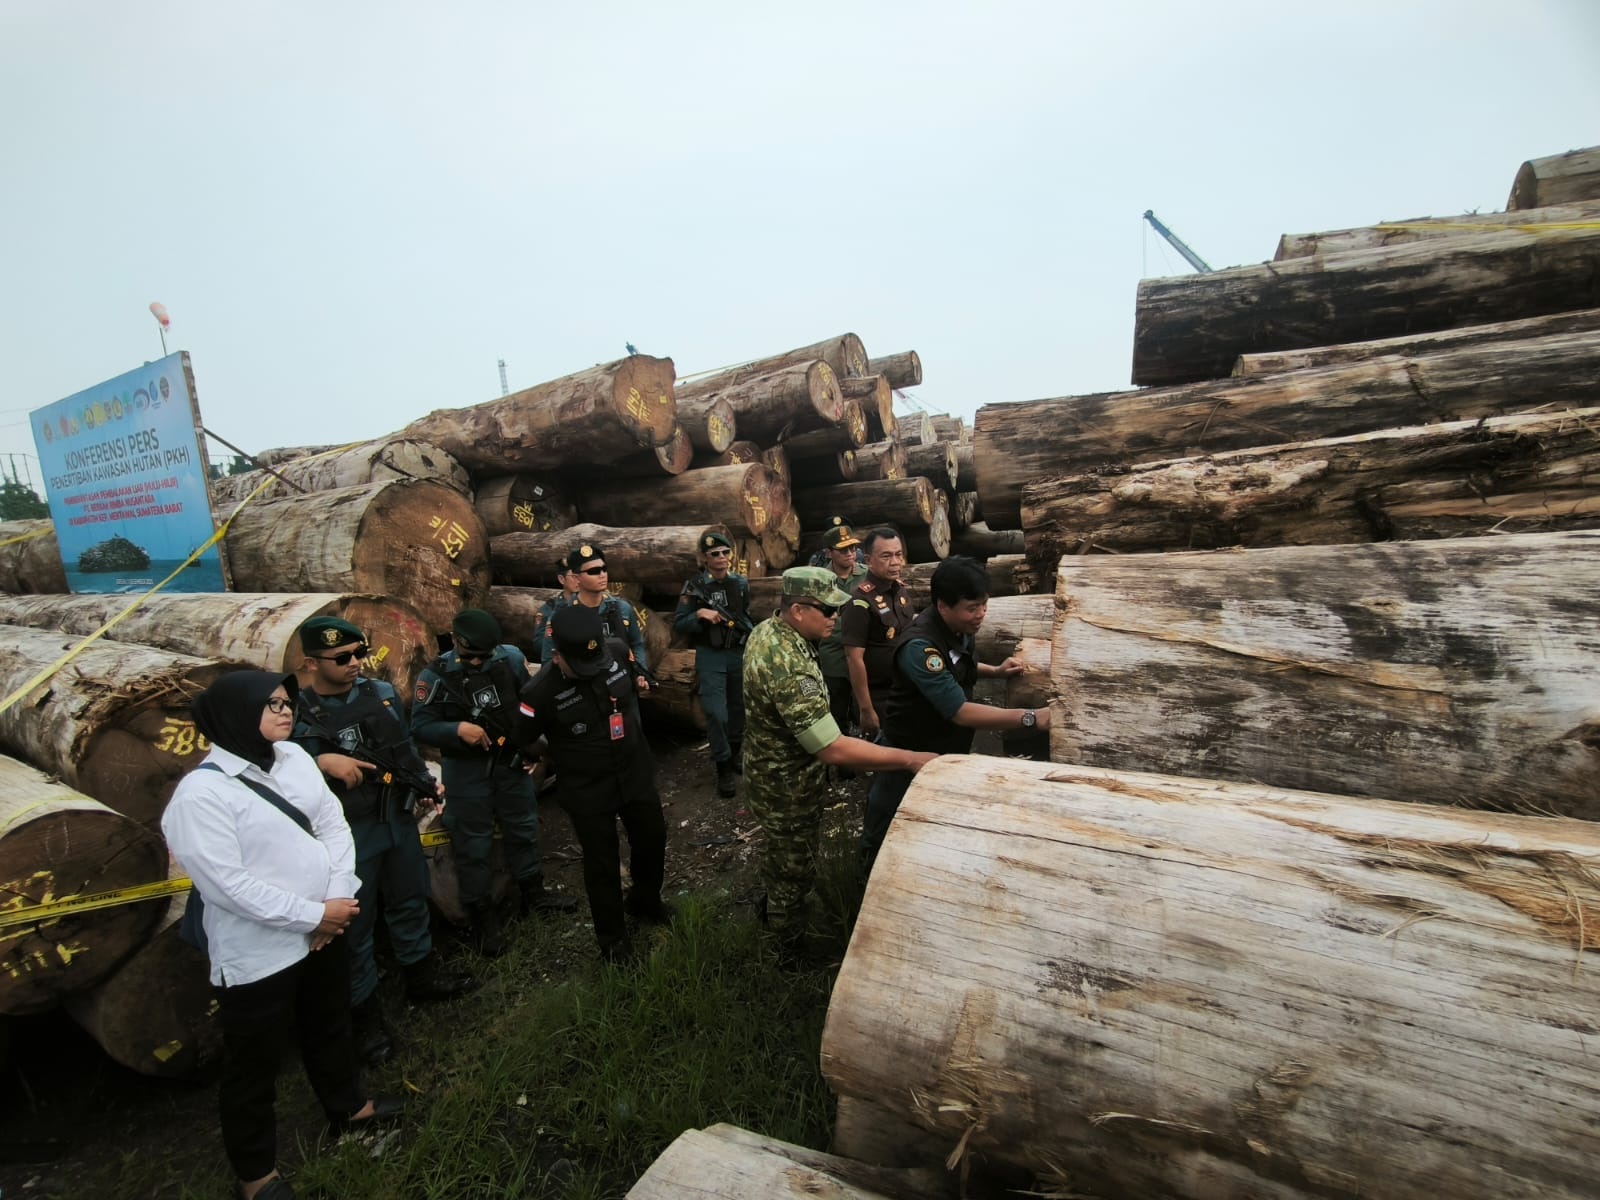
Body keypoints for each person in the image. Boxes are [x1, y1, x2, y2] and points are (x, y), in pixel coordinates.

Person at [162, 670, 402, 1200]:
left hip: (324, 928)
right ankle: (257, 1176)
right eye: (270, 704)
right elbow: (229, 887)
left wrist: (336, 903)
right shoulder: (200, 796)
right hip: (260, 954)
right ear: (232, 715)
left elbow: (334, 826)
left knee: (329, 1023)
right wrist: (312, 916)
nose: (285, 710)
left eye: (286, 701)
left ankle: (349, 1108)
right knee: (254, 1066)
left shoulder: (293, 760)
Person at [290, 616, 475, 1067]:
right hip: (347, 835)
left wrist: (426, 784)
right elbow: (275, 773)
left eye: (360, 653)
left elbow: (404, 747)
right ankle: (364, 1015)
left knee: (409, 897)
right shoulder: (296, 714)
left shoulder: (382, 694)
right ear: (311, 663)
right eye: (342, 658)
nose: (356, 664)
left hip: (395, 817)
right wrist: (318, 761)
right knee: (355, 926)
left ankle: (421, 976)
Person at [742, 567, 938, 960]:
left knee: (786, 857)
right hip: (787, 787)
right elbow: (830, 747)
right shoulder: (787, 663)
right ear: (798, 610)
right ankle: (786, 948)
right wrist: (909, 759)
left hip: (774, 773)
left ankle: (777, 908)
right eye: (827, 611)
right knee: (794, 869)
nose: (835, 618)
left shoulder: (771, 630)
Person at [860, 556, 1050, 868]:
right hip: (908, 752)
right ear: (942, 605)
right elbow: (959, 711)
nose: (981, 615)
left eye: (984, 605)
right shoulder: (920, 648)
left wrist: (995, 670)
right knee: (884, 833)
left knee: (933, 825)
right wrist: (1029, 717)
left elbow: (958, 664)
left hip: (945, 749)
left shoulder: (958, 627)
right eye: (972, 608)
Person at [411, 609, 577, 957]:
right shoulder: (435, 676)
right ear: (456, 642)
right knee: (472, 841)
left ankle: (534, 893)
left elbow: (527, 699)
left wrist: (532, 744)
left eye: (482, 657)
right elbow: (420, 725)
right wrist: (455, 730)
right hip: (465, 770)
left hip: (510, 762)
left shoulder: (510, 659)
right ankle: (483, 916)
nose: (476, 663)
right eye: (469, 656)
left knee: (523, 824)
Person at [519, 604, 670, 964]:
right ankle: (613, 942)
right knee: (602, 864)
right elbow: (523, 738)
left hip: (633, 771)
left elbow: (631, 683)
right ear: (557, 656)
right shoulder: (539, 692)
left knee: (653, 837)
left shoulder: (615, 651)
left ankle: (646, 901)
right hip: (588, 789)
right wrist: (556, 751)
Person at [672, 530, 752, 798]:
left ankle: (734, 754)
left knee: (738, 709)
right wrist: (699, 613)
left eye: (725, 552)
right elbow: (679, 623)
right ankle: (723, 767)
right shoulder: (694, 586)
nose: (721, 558)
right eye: (714, 554)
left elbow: (745, 615)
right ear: (704, 558)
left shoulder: (740, 583)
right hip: (710, 655)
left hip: (736, 653)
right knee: (716, 713)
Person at [840, 527, 916, 737]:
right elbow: (854, 659)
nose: (895, 562)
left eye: (898, 554)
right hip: (879, 697)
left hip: (906, 690)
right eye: (886, 556)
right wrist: (866, 709)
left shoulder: (900, 590)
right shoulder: (859, 601)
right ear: (868, 560)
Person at [538, 542, 650, 681]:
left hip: (622, 686)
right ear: (577, 577)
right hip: (586, 690)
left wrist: (640, 674)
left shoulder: (622, 608)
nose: (602, 575)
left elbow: (637, 644)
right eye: (593, 571)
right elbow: (549, 660)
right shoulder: (562, 617)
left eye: (604, 569)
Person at [813, 521, 868, 736]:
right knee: (836, 709)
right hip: (833, 655)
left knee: (864, 706)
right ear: (829, 553)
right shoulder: (820, 581)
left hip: (863, 653)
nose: (850, 553)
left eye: (853, 548)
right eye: (843, 550)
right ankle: (844, 764)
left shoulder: (866, 575)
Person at [528, 561, 579, 664]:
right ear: (561, 579)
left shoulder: (591, 604)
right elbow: (538, 645)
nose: (579, 580)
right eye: (574, 576)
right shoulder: (549, 608)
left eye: (581, 575)